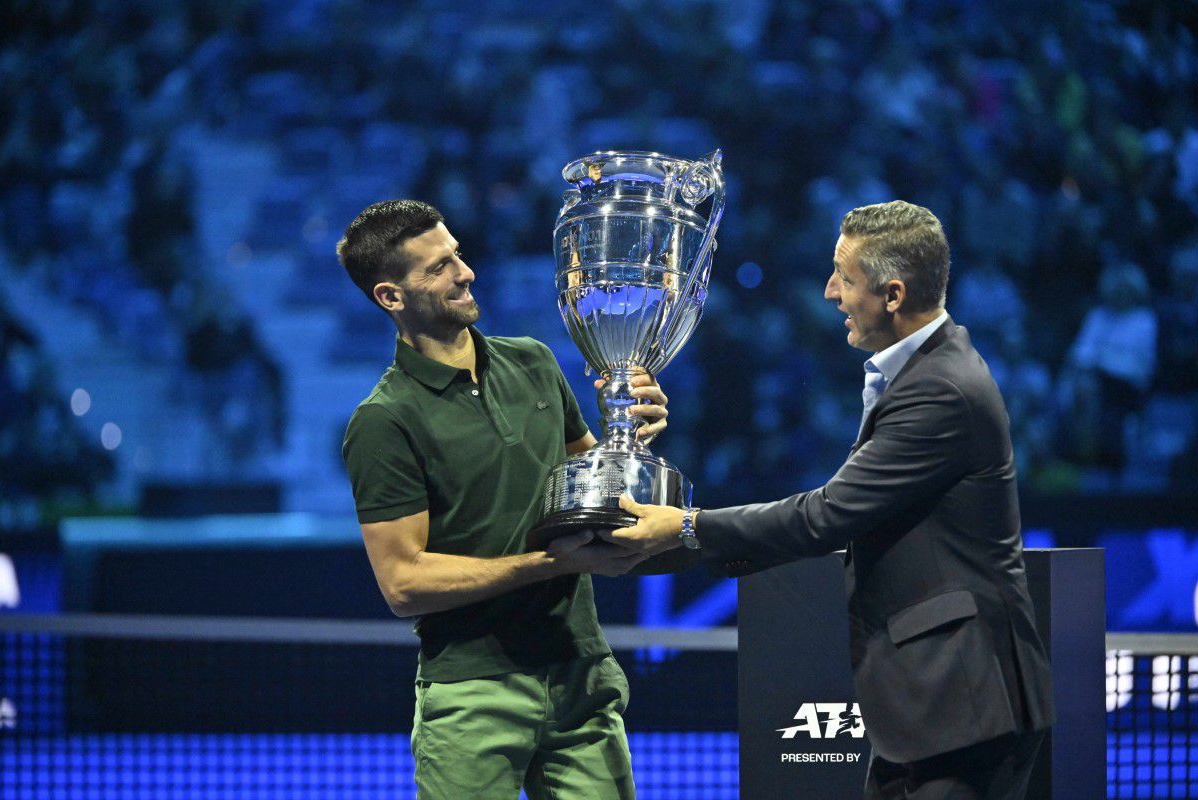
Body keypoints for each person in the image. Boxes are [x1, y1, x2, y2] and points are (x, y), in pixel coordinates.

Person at [604, 201, 1055, 800]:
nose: (829, 292)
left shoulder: (940, 389)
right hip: (932, 706)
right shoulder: (927, 371)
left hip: (964, 702)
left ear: (892, 295)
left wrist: (686, 527)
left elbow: (827, 515)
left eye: (844, 276)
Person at [337, 199, 668, 799]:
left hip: (580, 671)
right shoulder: (383, 421)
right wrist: (549, 563)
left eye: (458, 255)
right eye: (438, 267)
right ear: (390, 296)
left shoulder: (534, 362)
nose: (465, 273)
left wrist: (630, 433)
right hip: (472, 693)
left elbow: (594, 484)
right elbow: (403, 583)